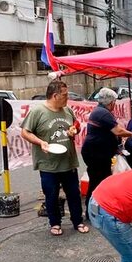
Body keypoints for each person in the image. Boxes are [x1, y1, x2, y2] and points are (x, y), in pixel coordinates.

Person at [20, 80, 89, 236]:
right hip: (48, 163)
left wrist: (74, 130)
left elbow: (75, 125)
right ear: (55, 95)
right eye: (65, 95)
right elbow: (25, 132)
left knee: (74, 194)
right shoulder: (38, 111)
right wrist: (40, 142)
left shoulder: (67, 111)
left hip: (68, 161)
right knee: (51, 194)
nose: (67, 98)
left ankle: (78, 221)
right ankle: (55, 223)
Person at [81, 87, 132, 218]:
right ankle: (92, 212)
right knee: (97, 182)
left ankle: (98, 210)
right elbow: (118, 131)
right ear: (111, 102)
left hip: (99, 153)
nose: (115, 105)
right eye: (115, 102)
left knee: (102, 180)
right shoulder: (102, 113)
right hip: (96, 154)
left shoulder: (101, 112)